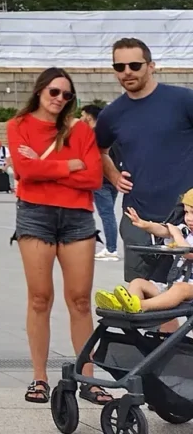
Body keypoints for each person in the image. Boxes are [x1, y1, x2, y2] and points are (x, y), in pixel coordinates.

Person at [6, 67, 109, 407]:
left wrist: (52, 169)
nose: (59, 99)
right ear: (40, 91)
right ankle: (39, 376)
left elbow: (94, 176)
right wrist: (71, 164)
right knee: (40, 298)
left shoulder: (78, 128)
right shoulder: (18, 126)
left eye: (66, 95)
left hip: (77, 217)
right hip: (36, 216)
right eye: (54, 92)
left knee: (80, 300)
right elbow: (24, 171)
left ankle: (88, 379)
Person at [94, 37, 193, 283]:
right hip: (138, 215)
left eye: (135, 65)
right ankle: (161, 324)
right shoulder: (111, 114)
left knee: (182, 288)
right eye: (120, 67)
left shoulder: (183, 101)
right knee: (143, 287)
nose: (127, 72)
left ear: (151, 66)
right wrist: (114, 176)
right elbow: (98, 150)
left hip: (185, 216)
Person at [95, 193, 193, 314]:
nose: (188, 218)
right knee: (137, 282)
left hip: (187, 288)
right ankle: (127, 307)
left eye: (192, 213)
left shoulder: (180, 234)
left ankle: (141, 305)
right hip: (174, 285)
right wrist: (145, 224)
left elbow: (188, 254)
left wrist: (177, 235)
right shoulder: (185, 231)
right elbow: (163, 230)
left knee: (180, 289)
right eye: (186, 212)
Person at [80, 105, 119, 261]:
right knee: (108, 214)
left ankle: (111, 249)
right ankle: (111, 247)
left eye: (82, 115)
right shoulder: (109, 133)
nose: (81, 118)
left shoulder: (93, 135)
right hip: (112, 179)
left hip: (101, 180)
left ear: (89, 117)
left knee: (107, 215)